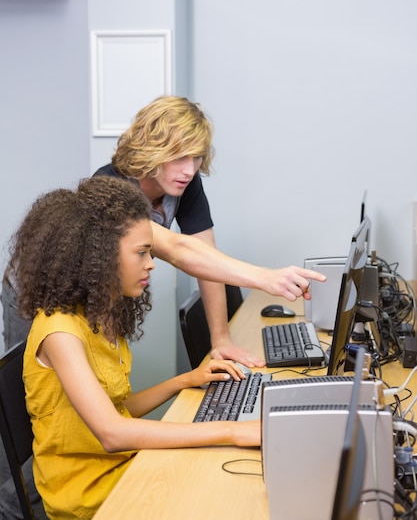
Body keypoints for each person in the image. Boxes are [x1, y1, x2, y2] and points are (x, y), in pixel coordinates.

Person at [6, 176, 259, 520]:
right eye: (141, 253)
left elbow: (117, 409)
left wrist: (185, 380)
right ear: (99, 255)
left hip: (120, 469)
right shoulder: (60, 332)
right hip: (88, 497)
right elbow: (112, 433)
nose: (151, 263)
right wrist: (232, 430)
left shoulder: (100, 314)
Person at [94, 95, 326, 367]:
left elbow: (205, 254)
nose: (190, 170)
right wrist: (264, 277)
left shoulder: (182, 182)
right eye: (179, 157)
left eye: (196, 157)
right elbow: (177, 250)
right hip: (80, 311)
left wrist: (221, 339)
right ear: (150, 149)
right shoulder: (109, 189)